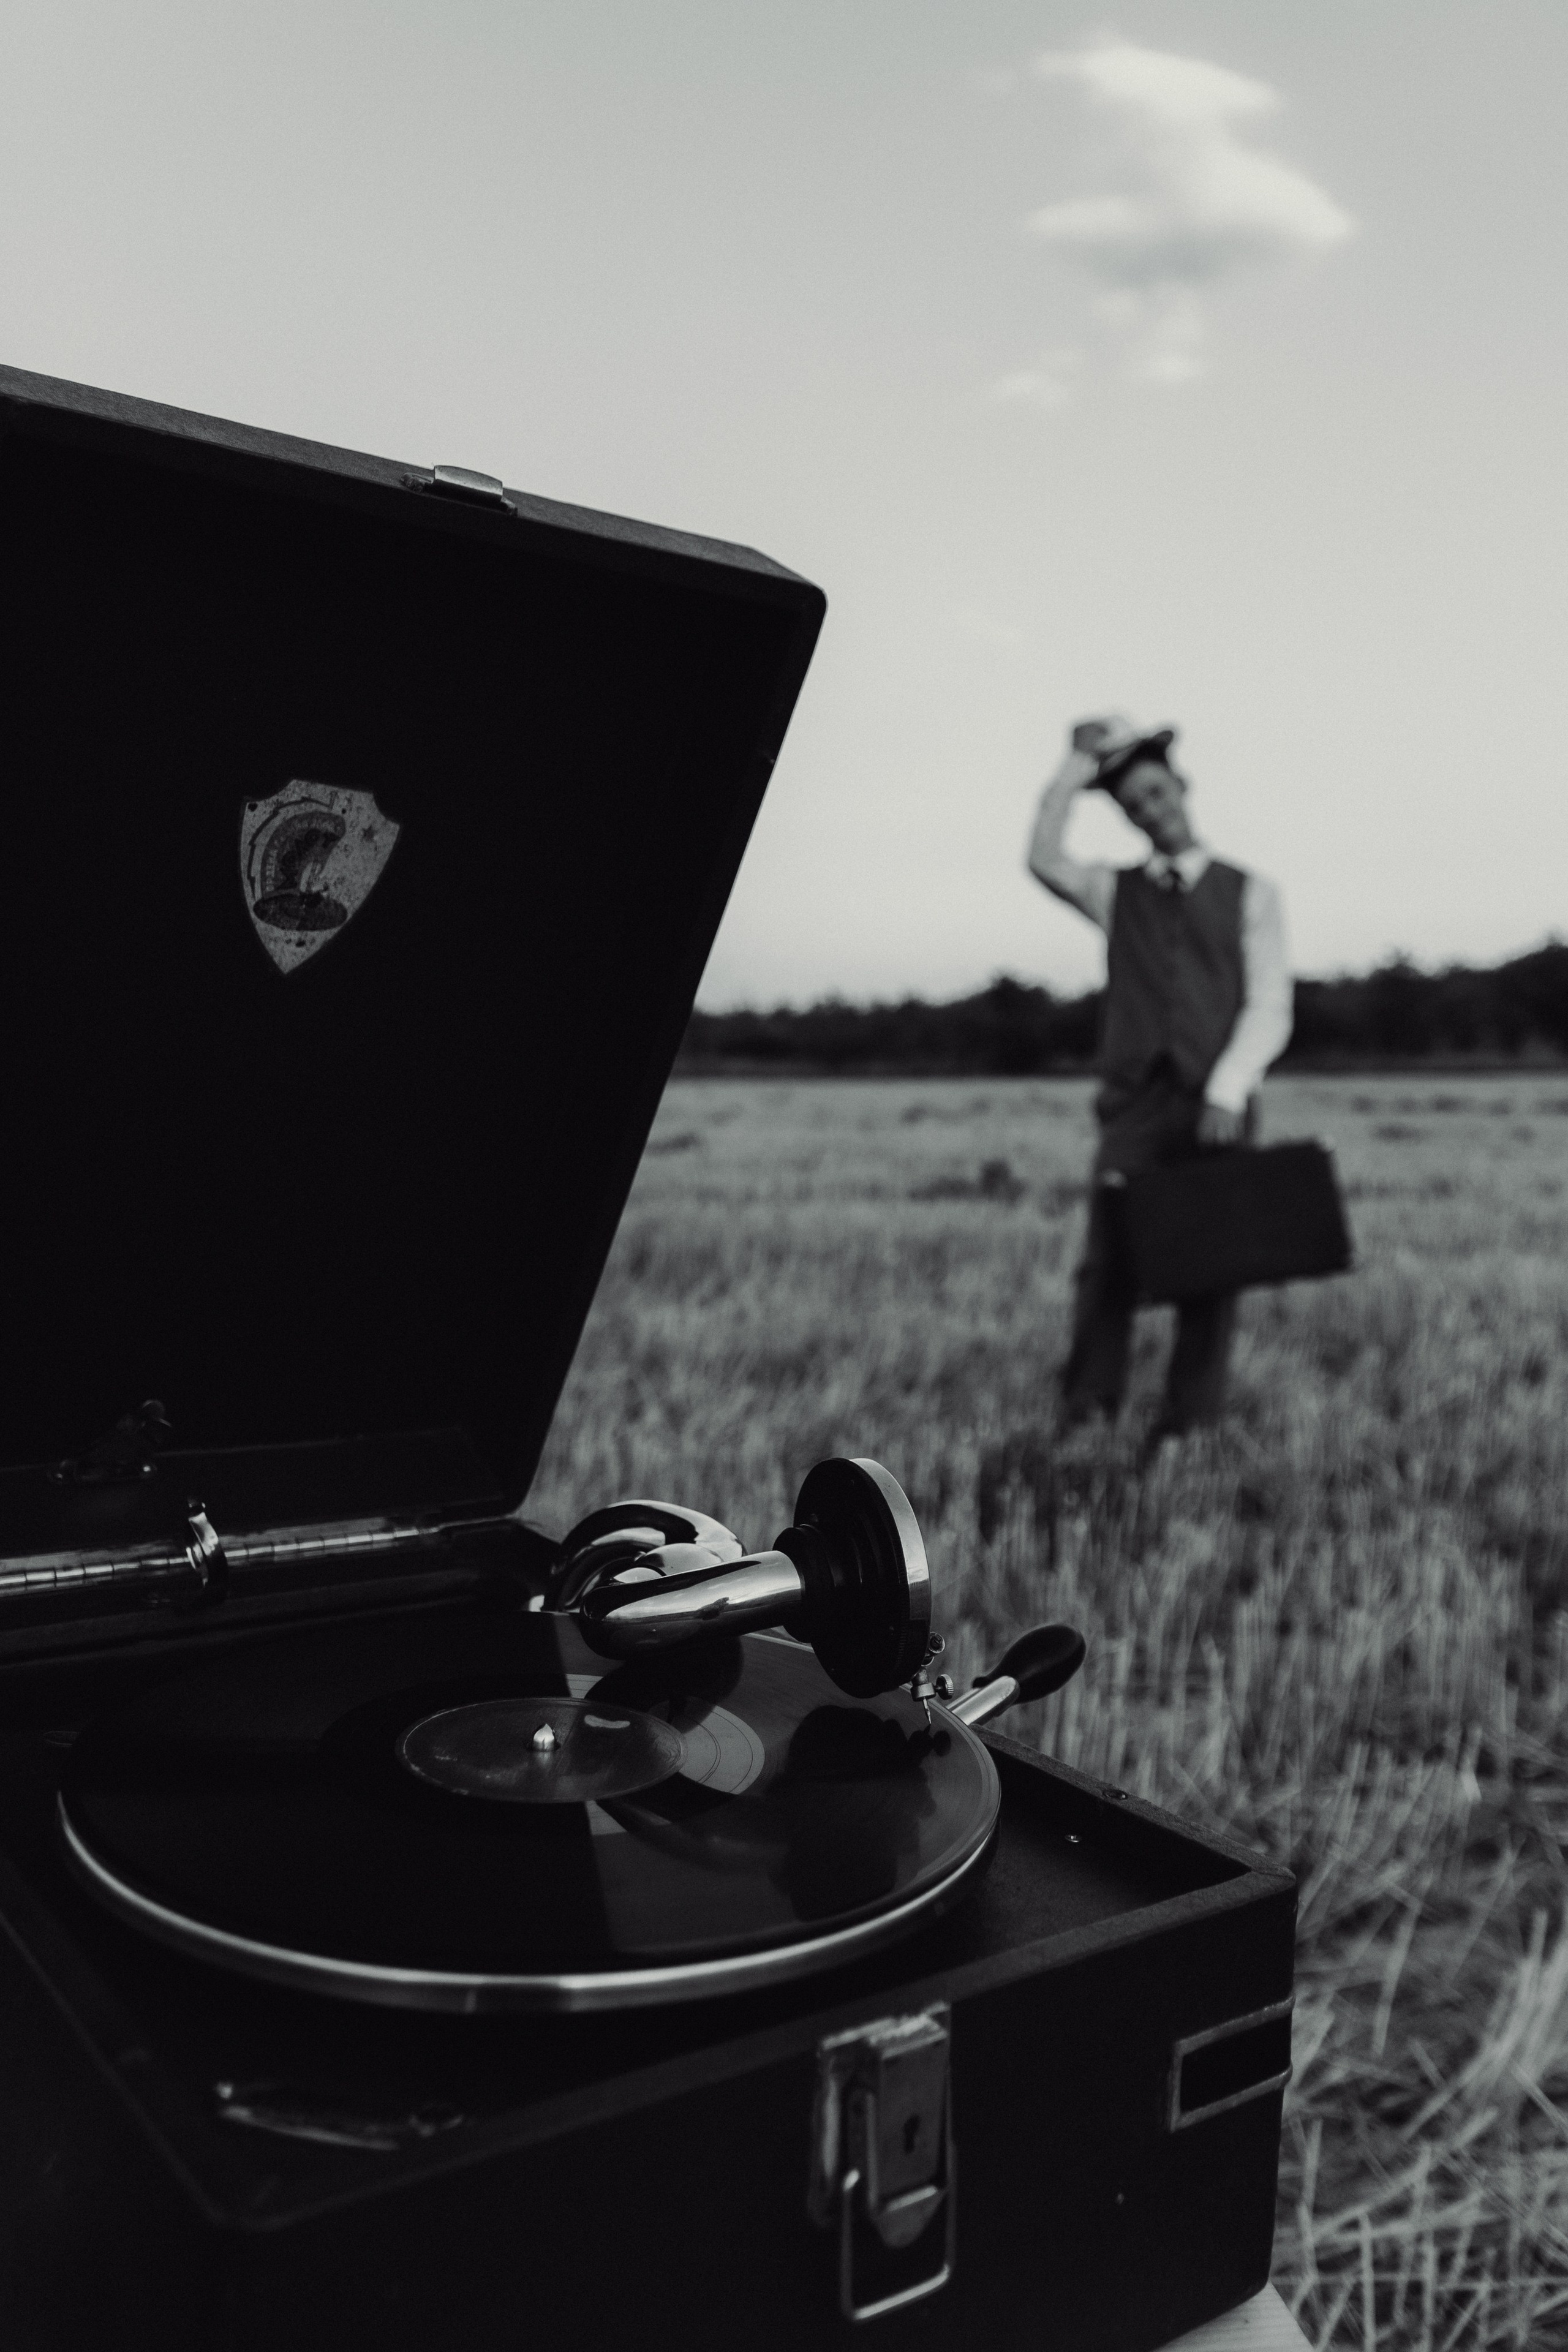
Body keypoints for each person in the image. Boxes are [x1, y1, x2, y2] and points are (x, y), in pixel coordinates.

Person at [1026, 716, 1292, 1441]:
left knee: (1211, 1268)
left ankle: (1189, 1425)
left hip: (1218, 1107)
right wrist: (1074, 771)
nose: (1149, 809)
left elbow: (1270, 1003)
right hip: (1133, 1108)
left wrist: (1227, 1089)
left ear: (1180, 785)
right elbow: (1044, 859)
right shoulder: (1115, 892)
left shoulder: (1253, 892)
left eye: (1154, 792)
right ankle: (1087, 1414)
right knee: (1107, 1264)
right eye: (1132, 804)